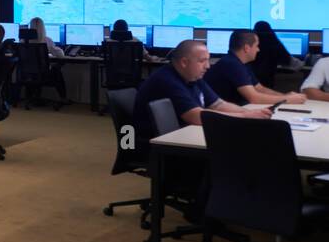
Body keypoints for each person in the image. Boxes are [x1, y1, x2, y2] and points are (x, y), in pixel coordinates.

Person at [131, 39, 271, 147]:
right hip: (159, 145)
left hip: (181, 135)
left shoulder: (192, 77)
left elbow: (218, 104)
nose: (208, 66)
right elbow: (196, 117)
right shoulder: (166, 80)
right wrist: (245, 116)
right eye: (202, 61)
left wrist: (250, 114)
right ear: (184, 62)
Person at [204, 30, 306, 106]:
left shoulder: (241, 63)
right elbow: (254, 98)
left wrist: (285, 96)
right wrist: (286, 99)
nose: (258, 49)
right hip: (222, 114)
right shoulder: (231, 64)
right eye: (256, 45)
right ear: (246, 48)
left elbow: (259, 88)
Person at [28, 16, 68, 101]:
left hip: (28, 73)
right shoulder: (47, 40)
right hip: (44, 73)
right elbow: (60, 55)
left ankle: (32, 96)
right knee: (57, 69)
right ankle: (63, 98)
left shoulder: (23, 41)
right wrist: (60, 49)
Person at [251, 20, 296, 87]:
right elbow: (287, 60)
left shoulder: (251, 44)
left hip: (250, 79)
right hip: (267, 80)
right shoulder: (275, 44)